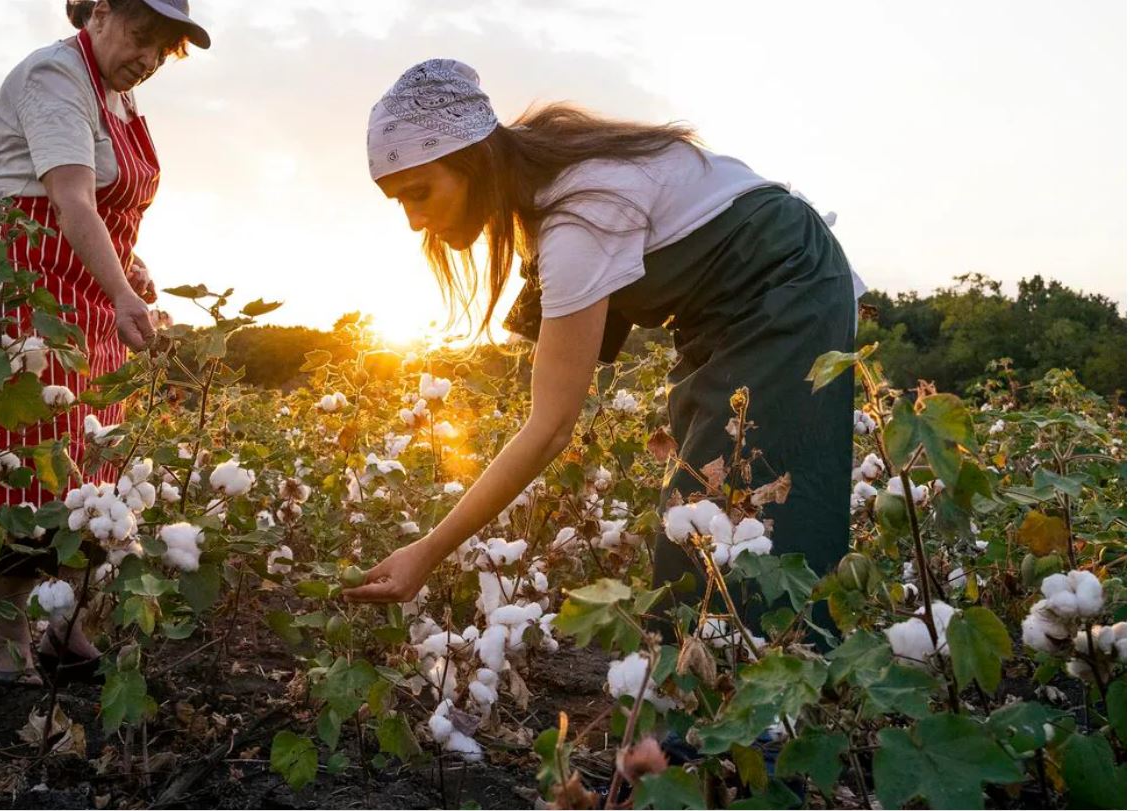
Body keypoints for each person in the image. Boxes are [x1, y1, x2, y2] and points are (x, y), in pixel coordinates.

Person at [343, 59, 865, 629]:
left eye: (420, 193)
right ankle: (731, 697)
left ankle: (765, 703)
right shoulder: (555, 196)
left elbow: (550, 427)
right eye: (400, 202)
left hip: (786, 291)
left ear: (478, 163)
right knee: (706, 514)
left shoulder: (579, 217)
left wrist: (427, 551)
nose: (416, 221)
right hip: (733, 309)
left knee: (737, 517)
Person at [0, 0, 210, 683]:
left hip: (87, 297)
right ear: (99, 10)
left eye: (165, 49)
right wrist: (124, 294)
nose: (150, 58)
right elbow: (70, 199)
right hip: (29, 290)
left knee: (90, 464)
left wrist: (128, 265)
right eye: (142, 36)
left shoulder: (122, 99)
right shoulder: (55, 75)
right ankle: (6, 637)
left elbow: (110, 208)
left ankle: (64, 626)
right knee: (31, 465)